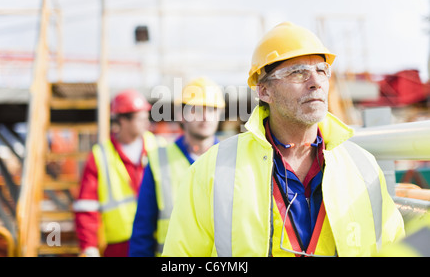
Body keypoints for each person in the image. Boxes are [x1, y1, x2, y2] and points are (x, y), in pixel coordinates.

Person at [162, 21, 405, 257]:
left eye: (322, 71)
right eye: (298, 73)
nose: (316, 83)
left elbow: (394, 248)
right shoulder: (213, 170)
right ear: (264, 91)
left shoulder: (362, 166)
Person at [129, 77, 225, 256]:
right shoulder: (159, 161)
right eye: (196, 109)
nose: (205, 117)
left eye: (212, 109)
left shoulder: (232, 160)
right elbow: (143, 231)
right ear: (182, 114)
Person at [73, 89, 159, 257]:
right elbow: (86, 206)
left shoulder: (158, 147)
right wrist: (89, 247)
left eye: (146, 116)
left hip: (154, 240)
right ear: (123, 120)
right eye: (140, 118)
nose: (146, 122)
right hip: (119, 247)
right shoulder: (100, 156)